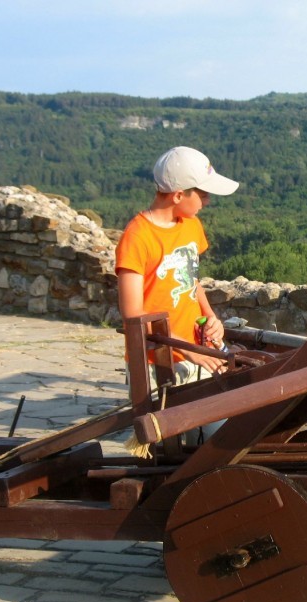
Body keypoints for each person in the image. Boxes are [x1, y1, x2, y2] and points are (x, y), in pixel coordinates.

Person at [115, 146, 239, 432]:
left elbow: (191, 280)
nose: (207, 201)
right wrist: (185, 348)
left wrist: (211, 317)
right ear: (179, 194)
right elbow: (134, 314)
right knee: (177, 443)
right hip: (156, 361)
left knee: (222, 430)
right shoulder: (137, 237)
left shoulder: (191, 225)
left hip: (197, 349)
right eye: (203, 193)